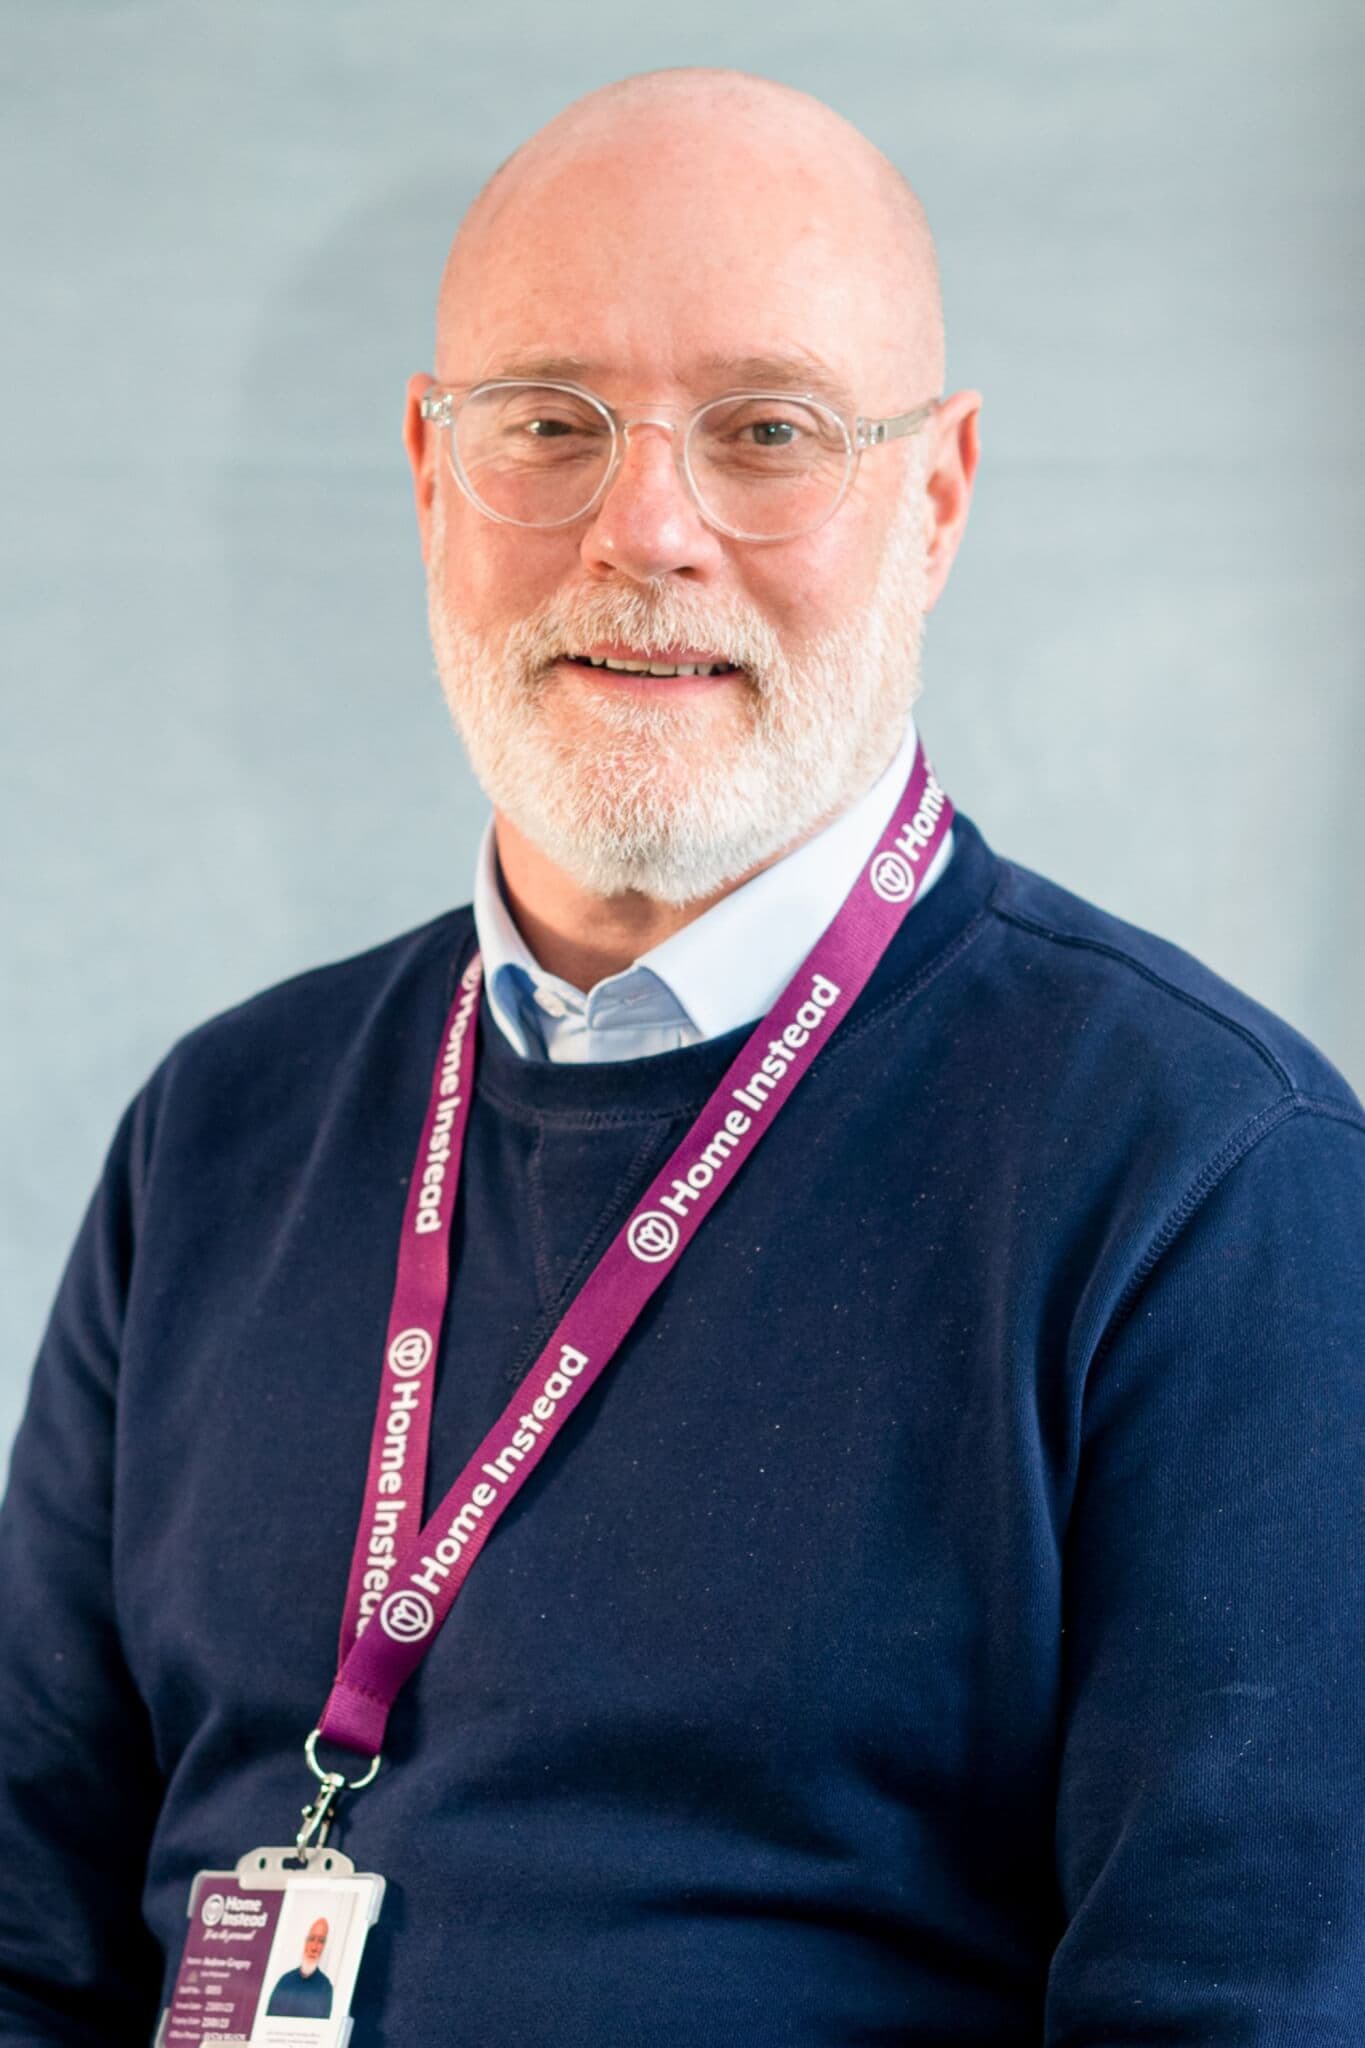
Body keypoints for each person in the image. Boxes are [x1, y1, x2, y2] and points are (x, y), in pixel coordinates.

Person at [0, 63, 1362, 2048]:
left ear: (938, 493)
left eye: (766, 429)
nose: (645, 524)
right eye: (549, 420)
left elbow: (1236, 2014)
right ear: (424, 466)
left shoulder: (1210, 1181)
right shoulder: (218, 1132)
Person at [265, 1918, 334, 2021]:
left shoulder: (325, 1987)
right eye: (311, 1939)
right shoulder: (285, 1981)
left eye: (321, 1941)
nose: (314, 1948)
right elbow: (269, 2019)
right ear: (305, 1942)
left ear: (324, 1947)